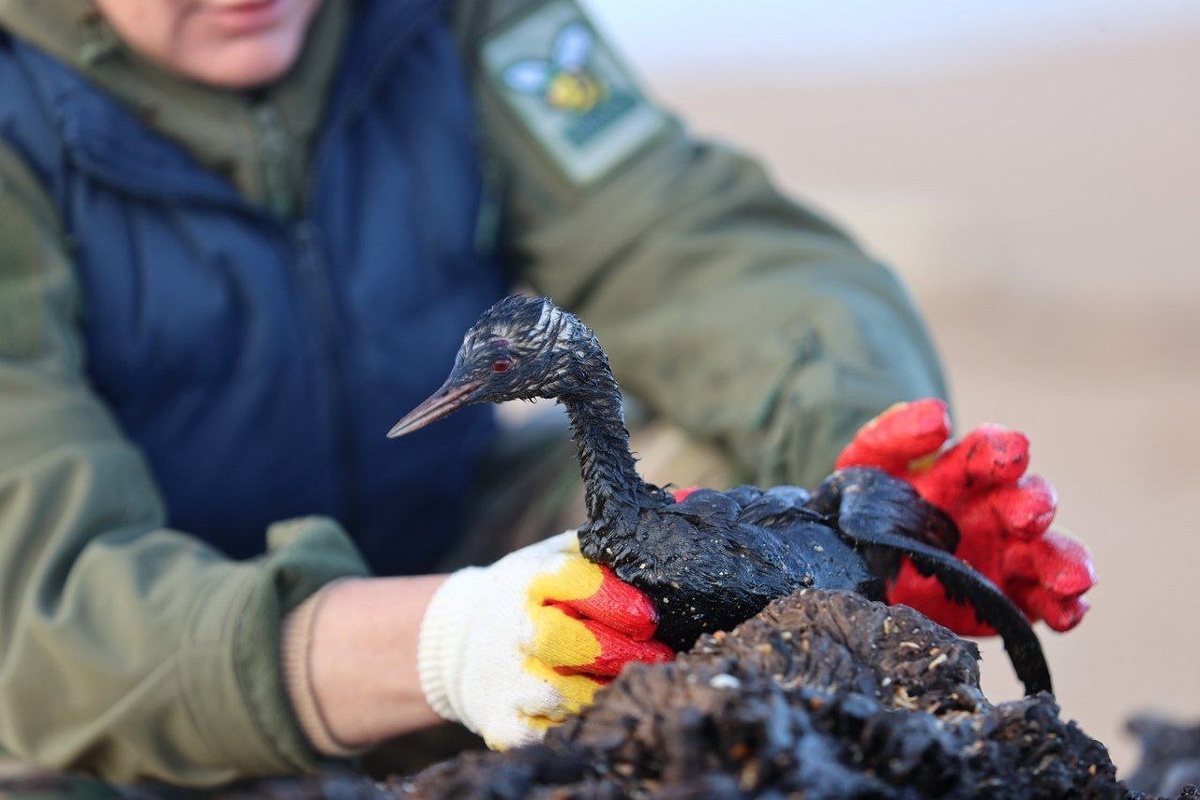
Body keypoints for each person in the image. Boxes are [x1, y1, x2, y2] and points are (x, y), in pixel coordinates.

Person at [0, 0, 1093, 789]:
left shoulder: (457, 17)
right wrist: (443, 644)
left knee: (707, 522)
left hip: (450, 531)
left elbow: (687, 242)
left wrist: (861, 485)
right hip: (122, 669)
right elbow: (32, 599)